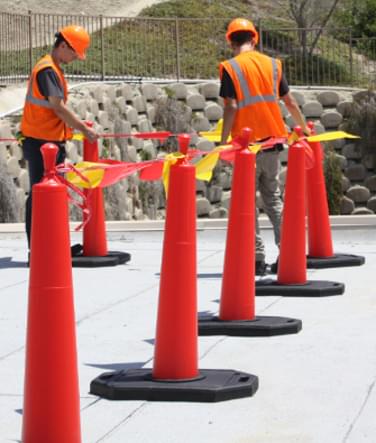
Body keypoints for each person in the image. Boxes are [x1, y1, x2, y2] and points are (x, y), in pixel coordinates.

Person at [219, 18, 309, 275]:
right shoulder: (273, 65)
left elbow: (231, 107)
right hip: (273, 141)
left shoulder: (230, 67)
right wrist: (302, 129)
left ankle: (256, 258)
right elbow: (289, 101)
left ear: (231, 41)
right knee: (273, 199)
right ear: (254, 38)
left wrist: (223, 142)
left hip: (247, 147)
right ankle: (289, 253)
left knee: (246, 203)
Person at [20, 25, 98, 256]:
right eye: (74, 53)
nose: (75, 58)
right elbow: (58, 107)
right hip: (41, 143)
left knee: (50, 196)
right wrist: (84, 128)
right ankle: (40, 250)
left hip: (48, 142)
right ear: (63, 46)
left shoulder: (52, 67)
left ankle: (51, 246)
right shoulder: (48, 70)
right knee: (41, 196)